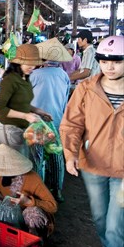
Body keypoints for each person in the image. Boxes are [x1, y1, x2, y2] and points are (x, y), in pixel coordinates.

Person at [60, 35, 124, 247]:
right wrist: (70, 154)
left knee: (114, 226)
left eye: (117, 61)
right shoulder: (87, 88)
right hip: (93, 166)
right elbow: (72, 124)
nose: (110, 66)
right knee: (99, 220)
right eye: (105, 60)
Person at [0, 144, 57, 236]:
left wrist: (30, 201)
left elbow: (53, 206)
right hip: (6, 212)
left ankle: (33, 240)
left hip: (25, 217)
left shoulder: (32, 178)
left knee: (32, 212)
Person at [0, 44, 52, 156]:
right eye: (29, 64)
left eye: (34, 64)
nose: (32, 67)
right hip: (9, 128)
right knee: (16, 167)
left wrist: (38, 111)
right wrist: (25, 116)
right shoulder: (10, 80)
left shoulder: (25, 78)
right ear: (18, 62)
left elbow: (20, 103)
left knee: (23, 165)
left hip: (21, 128)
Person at [30, 57, 71, 202]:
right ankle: (57, 190)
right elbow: (66, 100)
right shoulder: (64, 75)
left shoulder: (34, 75)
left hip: (37, 122)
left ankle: (40, 192)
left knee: (38, 157)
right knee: (56, 156)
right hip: (56, 119)